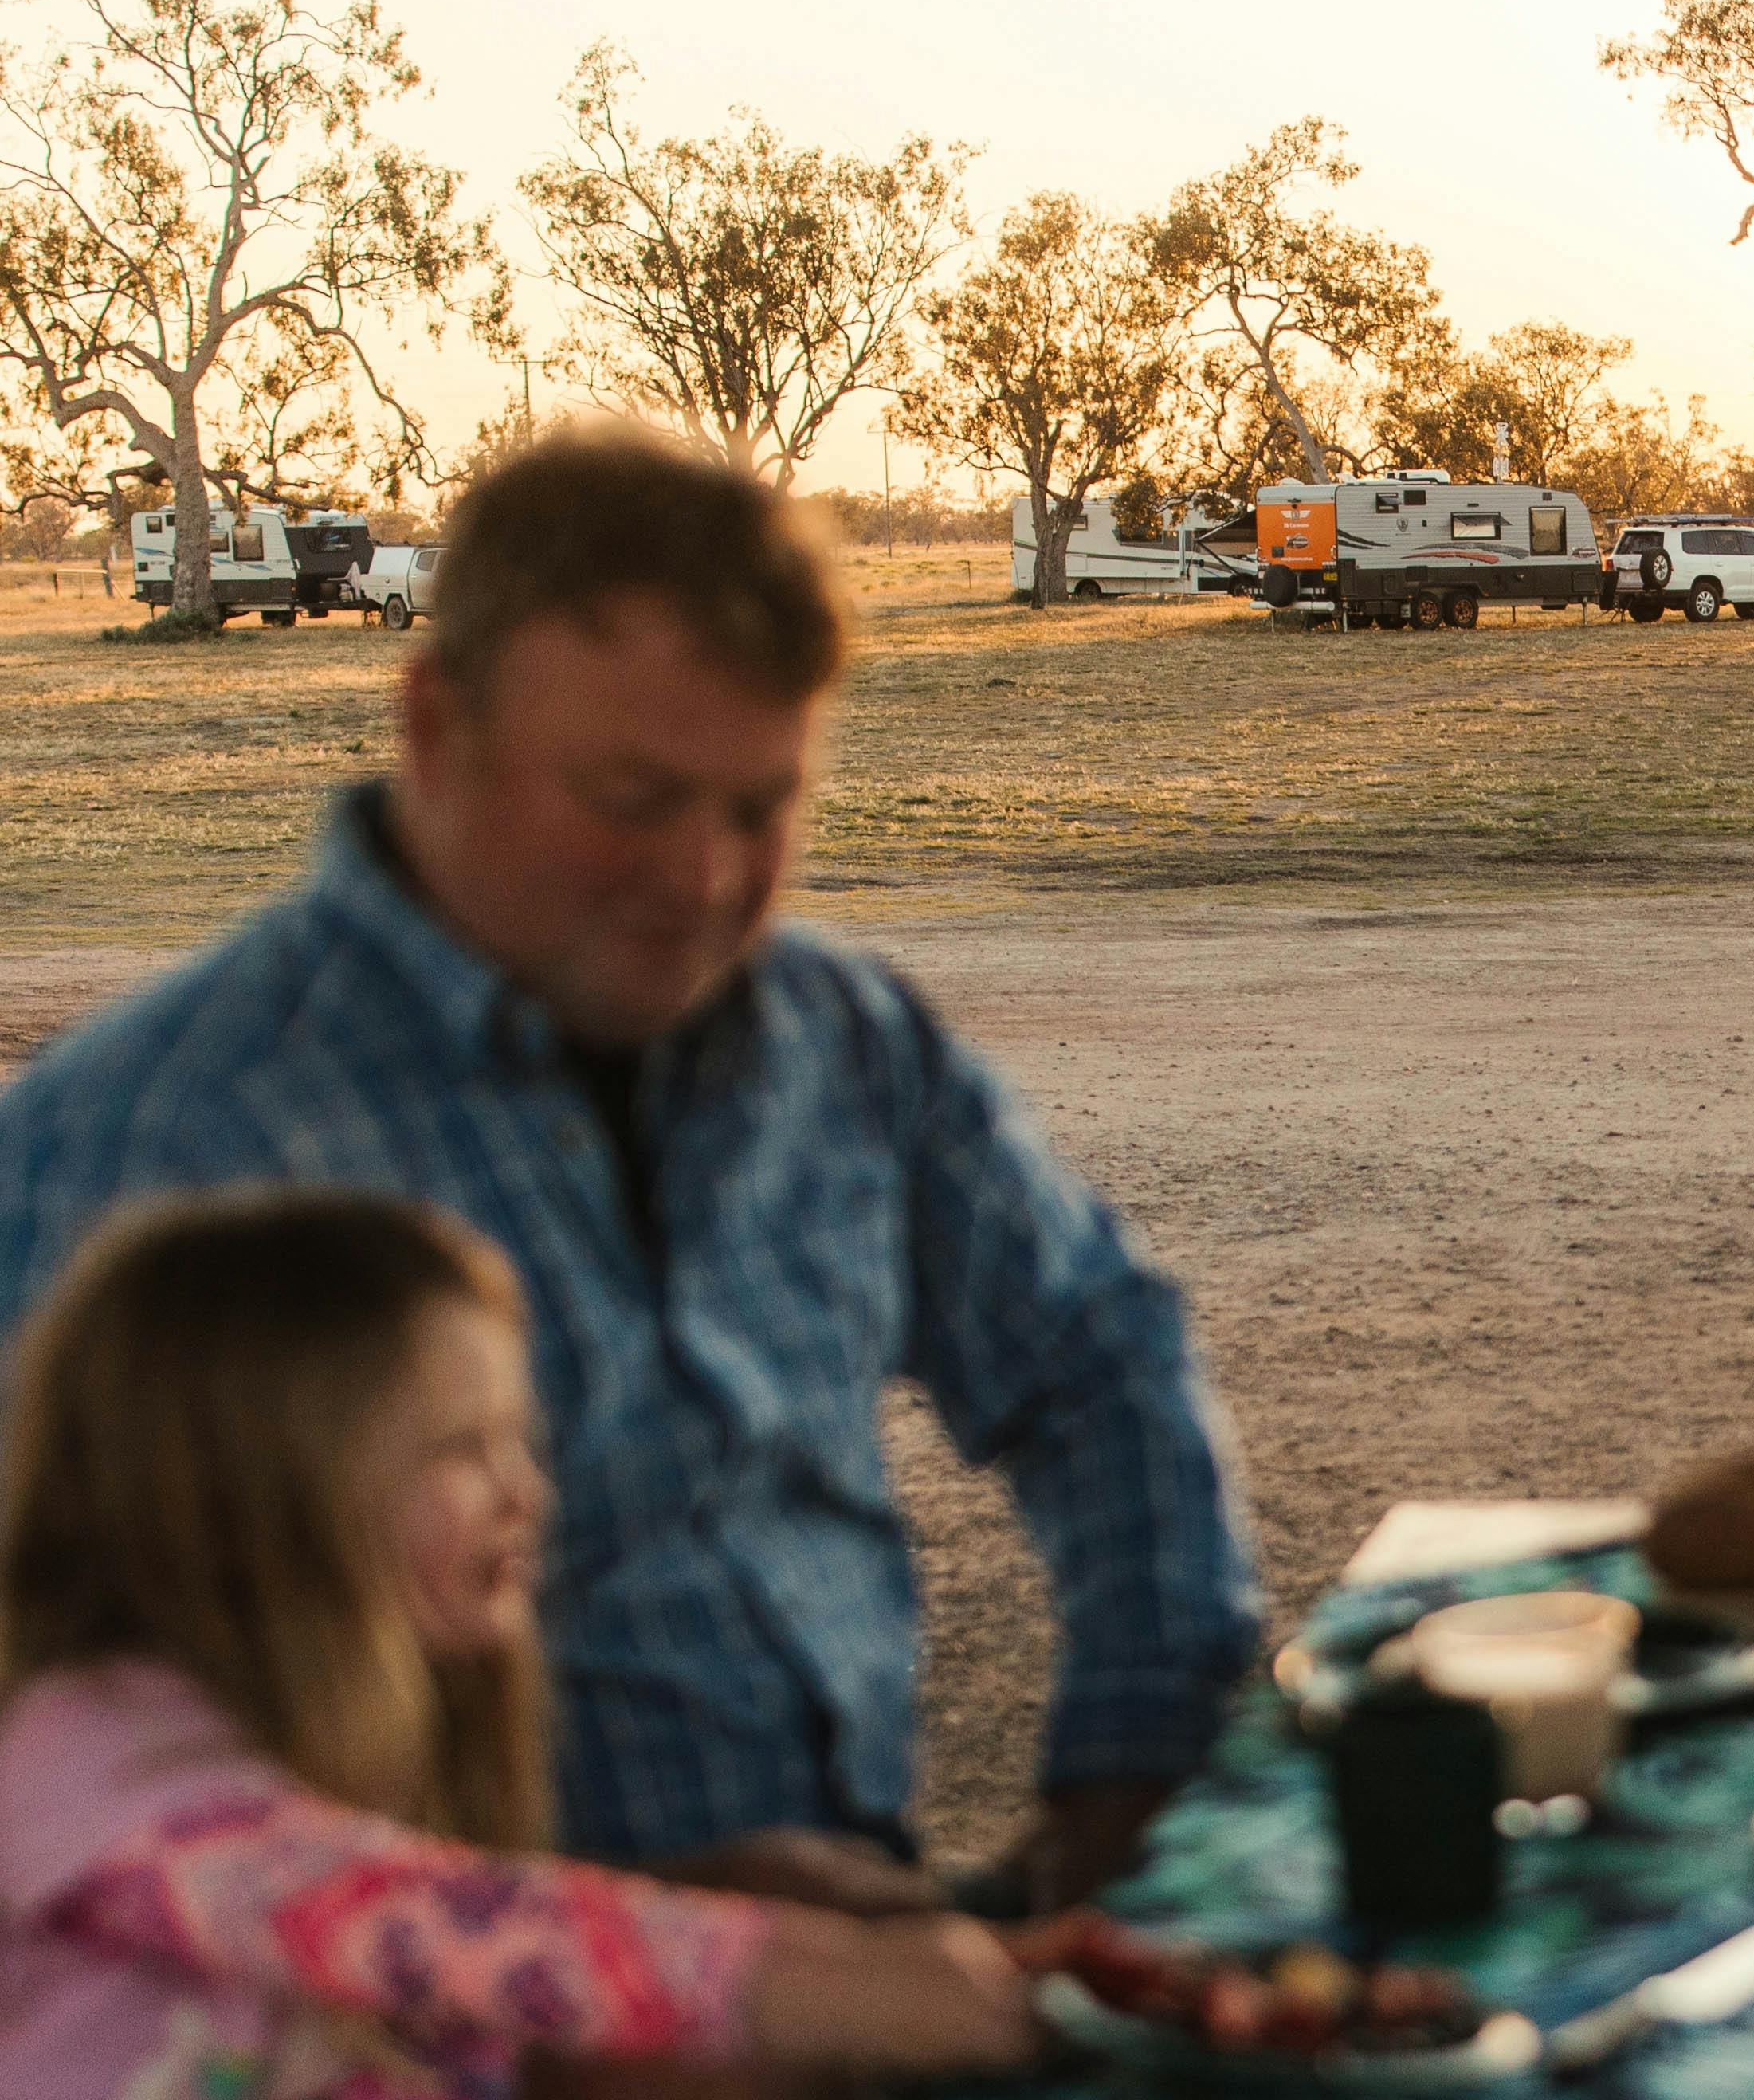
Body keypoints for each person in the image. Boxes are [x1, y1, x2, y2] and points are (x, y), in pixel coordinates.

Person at [0, 430, 1262, 1913]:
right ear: (435, 730)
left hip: (856, 1962)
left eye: (758, 806)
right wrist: (600, 1940)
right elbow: (69, 1770)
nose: (704, 881)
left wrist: (1131, 1778)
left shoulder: (841, 1045)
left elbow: (1095, 1356)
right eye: (630, 797)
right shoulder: (150, 1152)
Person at [0, 1187, 1042, 2098]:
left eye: (517, 1440)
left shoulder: (302, 1731)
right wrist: (802, 1980)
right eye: (462, 1449)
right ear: (251, 1493)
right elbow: (397, 1919)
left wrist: (762, 1904)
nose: (526, 1495)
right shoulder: (85, 1749)